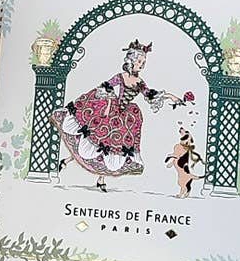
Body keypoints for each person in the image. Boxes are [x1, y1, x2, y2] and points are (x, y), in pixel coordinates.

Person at [52, 40, 186, 191]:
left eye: (144, 62)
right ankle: (70, 161)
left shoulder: (140, 82)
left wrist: (170, 96)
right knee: (97, 141)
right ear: (131, 61)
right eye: (140, 61)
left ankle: (99, 178)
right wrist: (109, 102)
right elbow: (105, 86)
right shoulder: (121, 77)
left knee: (110, 148)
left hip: (125, 115)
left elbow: (150, 96)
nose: (142, 65)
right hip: (111, 109)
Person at [165, 129, 204, 198]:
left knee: (181, 183)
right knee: (186, 183)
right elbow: (177, 158)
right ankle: (187, 192)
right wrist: (171, 163)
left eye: (186, 132)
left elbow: (177, 156)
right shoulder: (183, 148)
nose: (183, 131)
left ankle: (182, 194)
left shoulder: (182, 148)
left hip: (184, 173)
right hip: (185, 171)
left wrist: (169, 156)